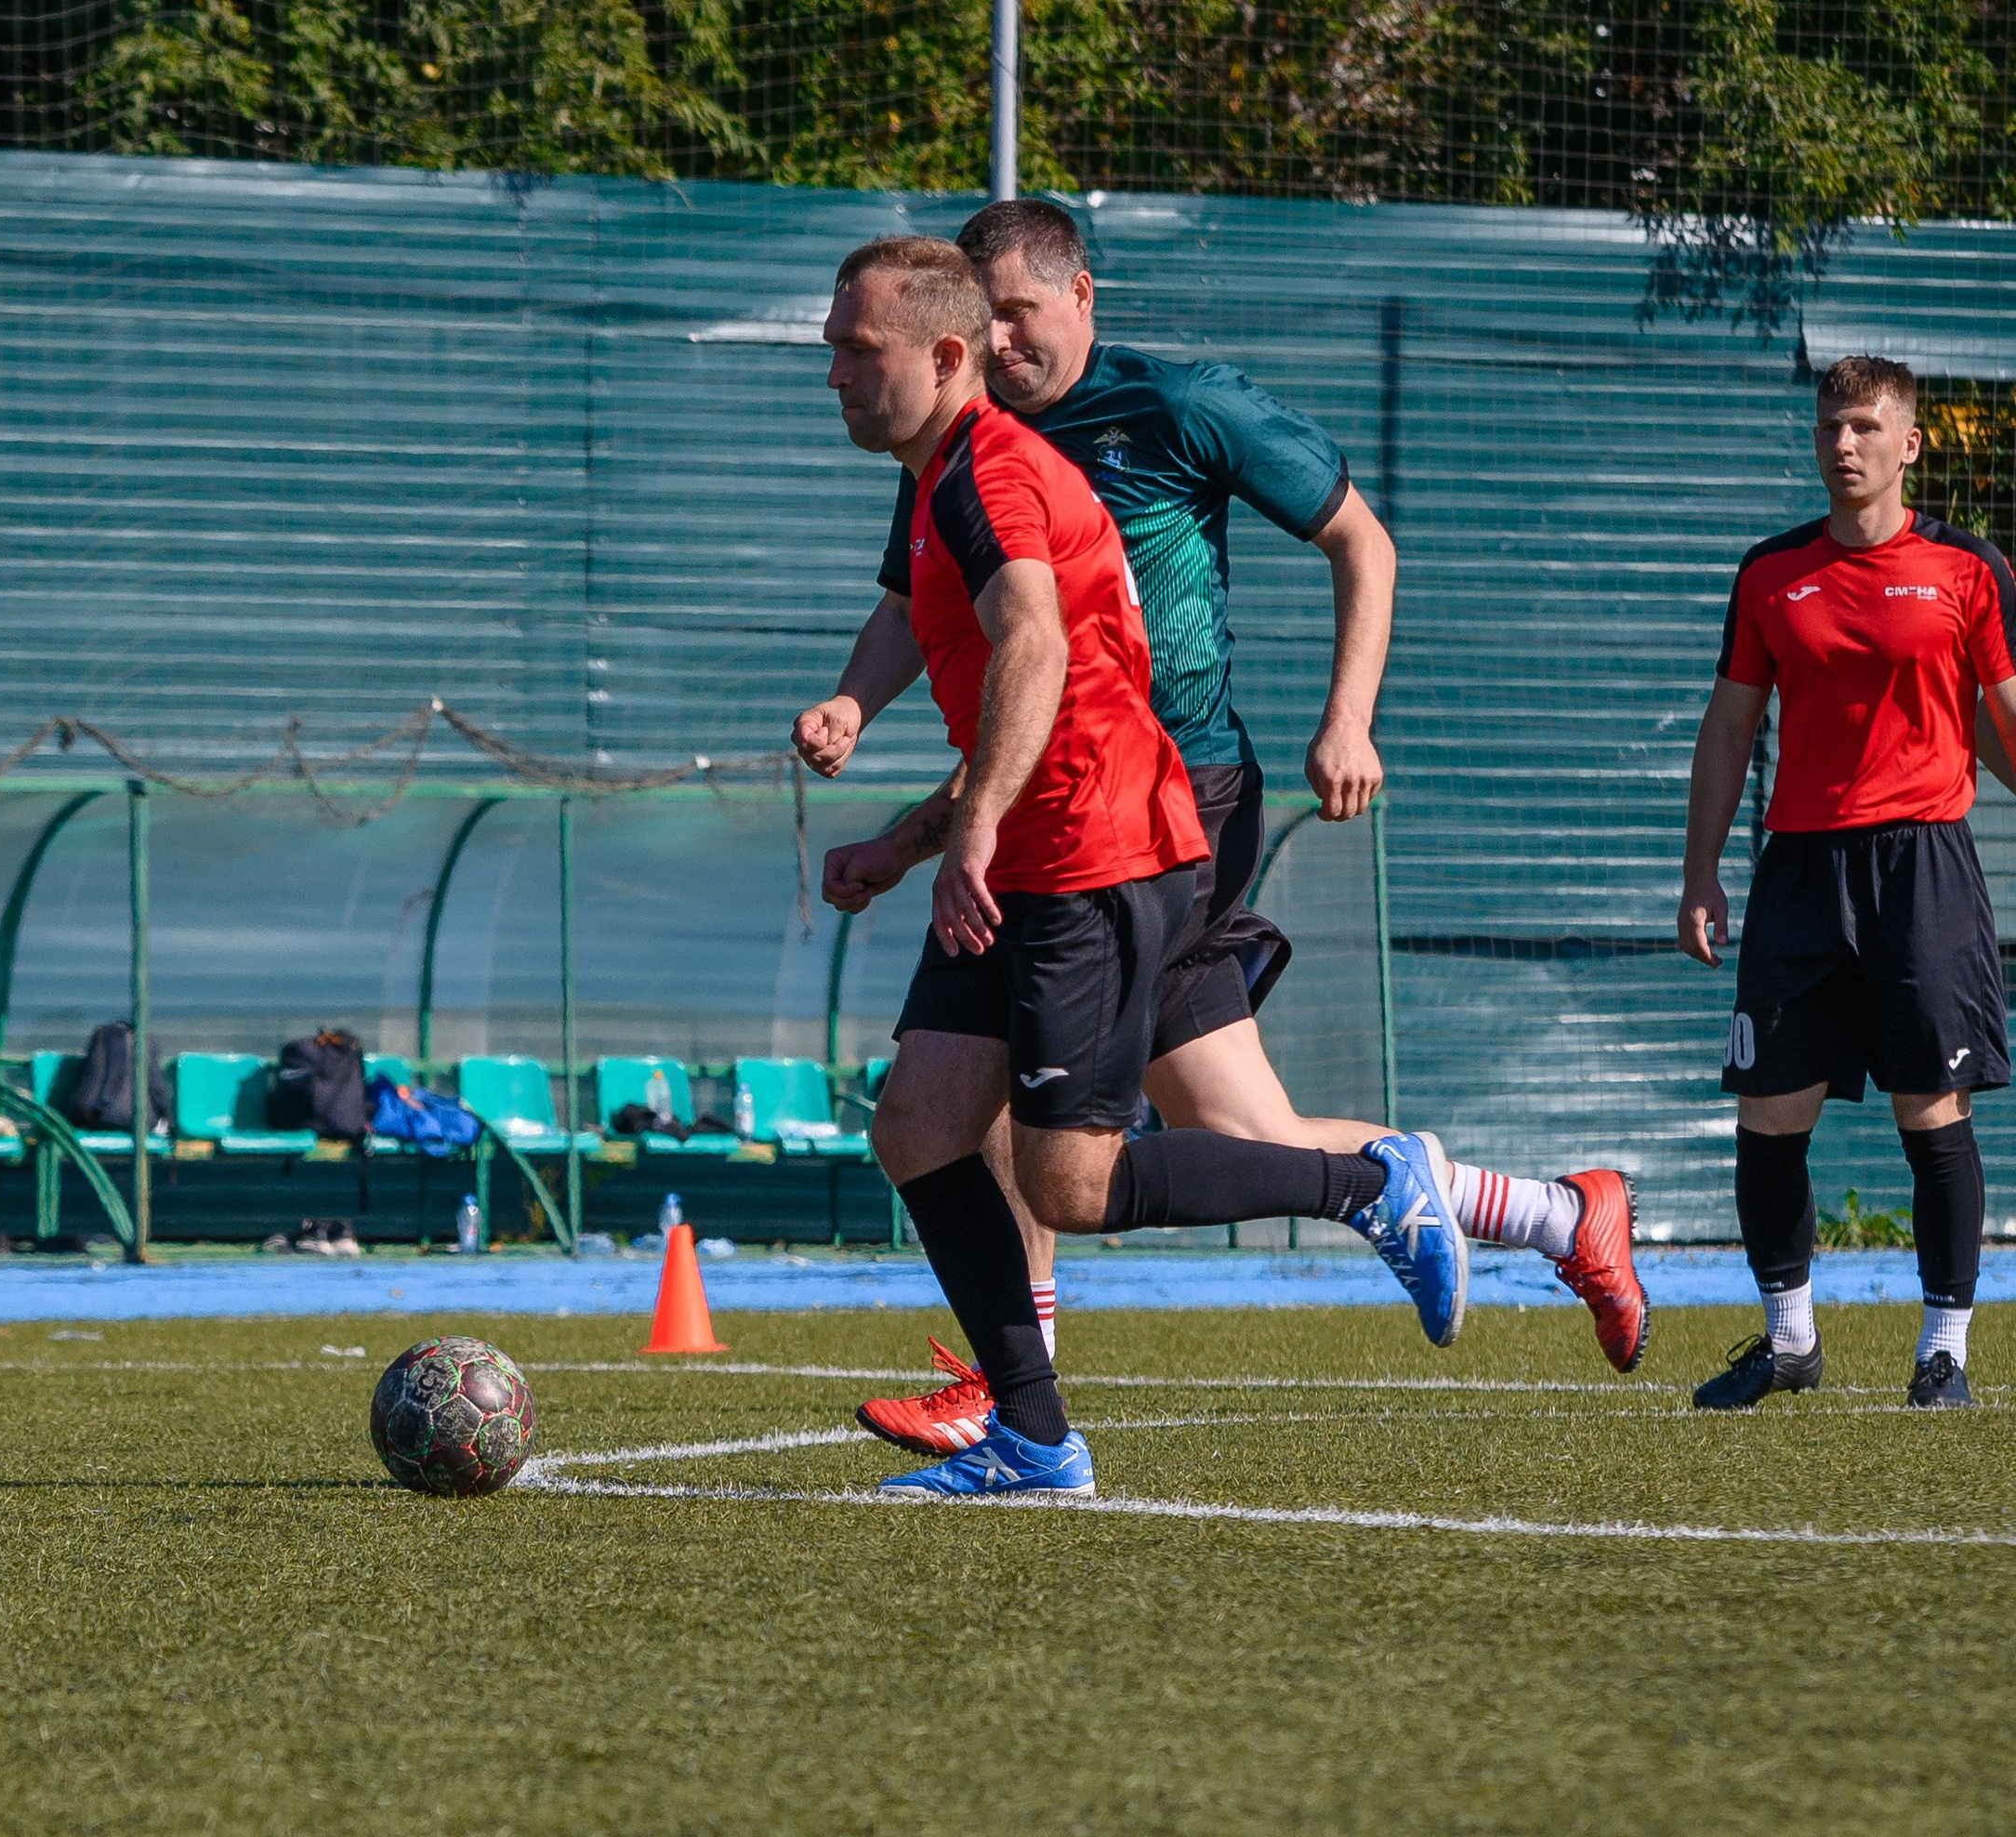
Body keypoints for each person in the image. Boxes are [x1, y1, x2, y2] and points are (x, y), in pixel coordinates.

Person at [798, 199, 1643, 1457]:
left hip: (1138, 819)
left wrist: (1347, 718)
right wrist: (895, 774)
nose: (836, 372)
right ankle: (1546, 1215)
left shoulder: (1126, 422)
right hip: (1054, 815)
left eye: (1019, 312)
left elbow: (1336, 550)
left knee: (1057, 1163)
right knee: (977, 1117)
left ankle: (1025, 1385)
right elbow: (978, 645)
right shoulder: (949, 465)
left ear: (1065, 304)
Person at [1680, 352, 2016, 1410]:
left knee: (1931, 1108)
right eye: (1830, 425)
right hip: (1798, 870)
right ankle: (1789, 1342)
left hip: (1923, 864)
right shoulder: (1770, 573)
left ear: (1909, 443)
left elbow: (2006, 719)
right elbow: (1730, 727)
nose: (1843, 444)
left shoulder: (1969, 570)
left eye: (1867, 427)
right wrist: (1700, 874)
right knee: (1769, 1113)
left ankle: (1944, 1353)